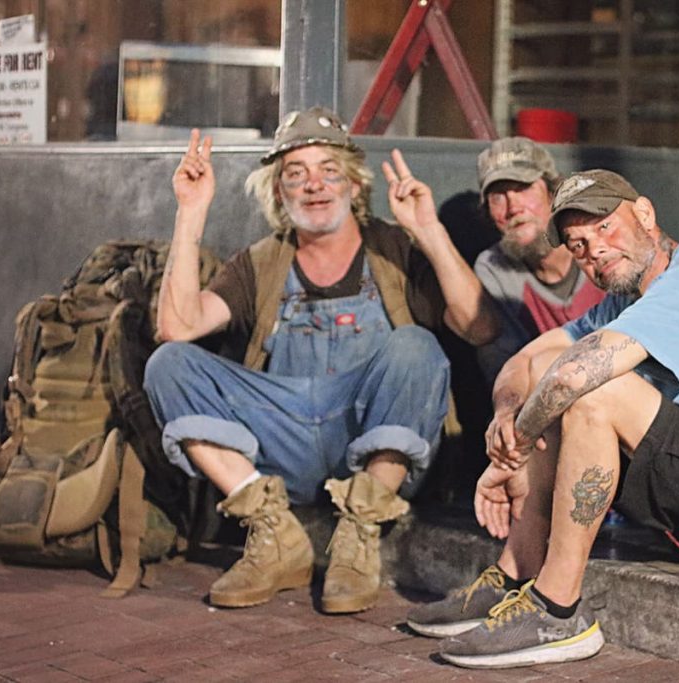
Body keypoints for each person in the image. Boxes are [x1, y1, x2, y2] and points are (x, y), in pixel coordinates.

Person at [407, 169, 679, 669]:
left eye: (605, 228)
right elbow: (526, 362)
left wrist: (512, 452)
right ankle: (516, 571)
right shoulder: (622, 301)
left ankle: (557, 611)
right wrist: (507, 413)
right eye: (577, 243)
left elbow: (573, 379)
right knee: (552, 377)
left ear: (646, 216)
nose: (592, 249)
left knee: (592, 388)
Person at [143, 107, 497, 614]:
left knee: (417, 347)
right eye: (295, 174)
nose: (314, 185)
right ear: (279, 193)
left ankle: (359, 534)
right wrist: (190, 212)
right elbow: (176, 328)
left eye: (329, 170)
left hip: (371, 445)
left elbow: (481, 328)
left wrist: (429, 231)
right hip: (280, 443)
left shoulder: (393, 250)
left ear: (355, 185)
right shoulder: (261, 262)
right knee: (169, 364)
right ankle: (272, 530)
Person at [473, 137, 605, 382]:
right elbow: (509, 370)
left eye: (523, 188)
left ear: (553, 194)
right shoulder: (494, 268)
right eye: (498, 197)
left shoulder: (600, 247)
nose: (513, 207)